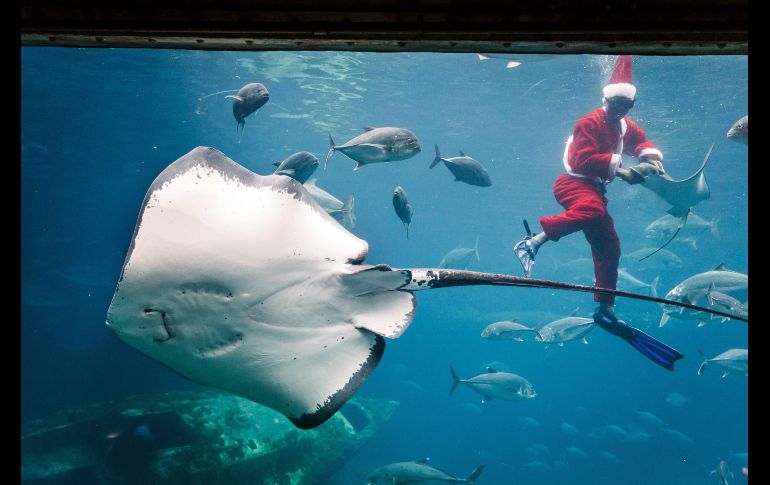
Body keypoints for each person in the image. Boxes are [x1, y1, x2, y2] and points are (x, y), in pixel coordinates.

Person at [513, 55, 683, 370]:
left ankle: (605, 306)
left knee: (610, 246)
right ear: (605, 99)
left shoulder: (624, 124)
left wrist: (650, 157)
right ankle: (532, 242)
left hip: (594, 191)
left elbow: (640, 141)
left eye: (626, 105)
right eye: (615, 103)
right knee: (591, 210)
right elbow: (580, 160)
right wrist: (622, 172)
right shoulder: (588, 122)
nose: (619, 109)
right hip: (571, 184)